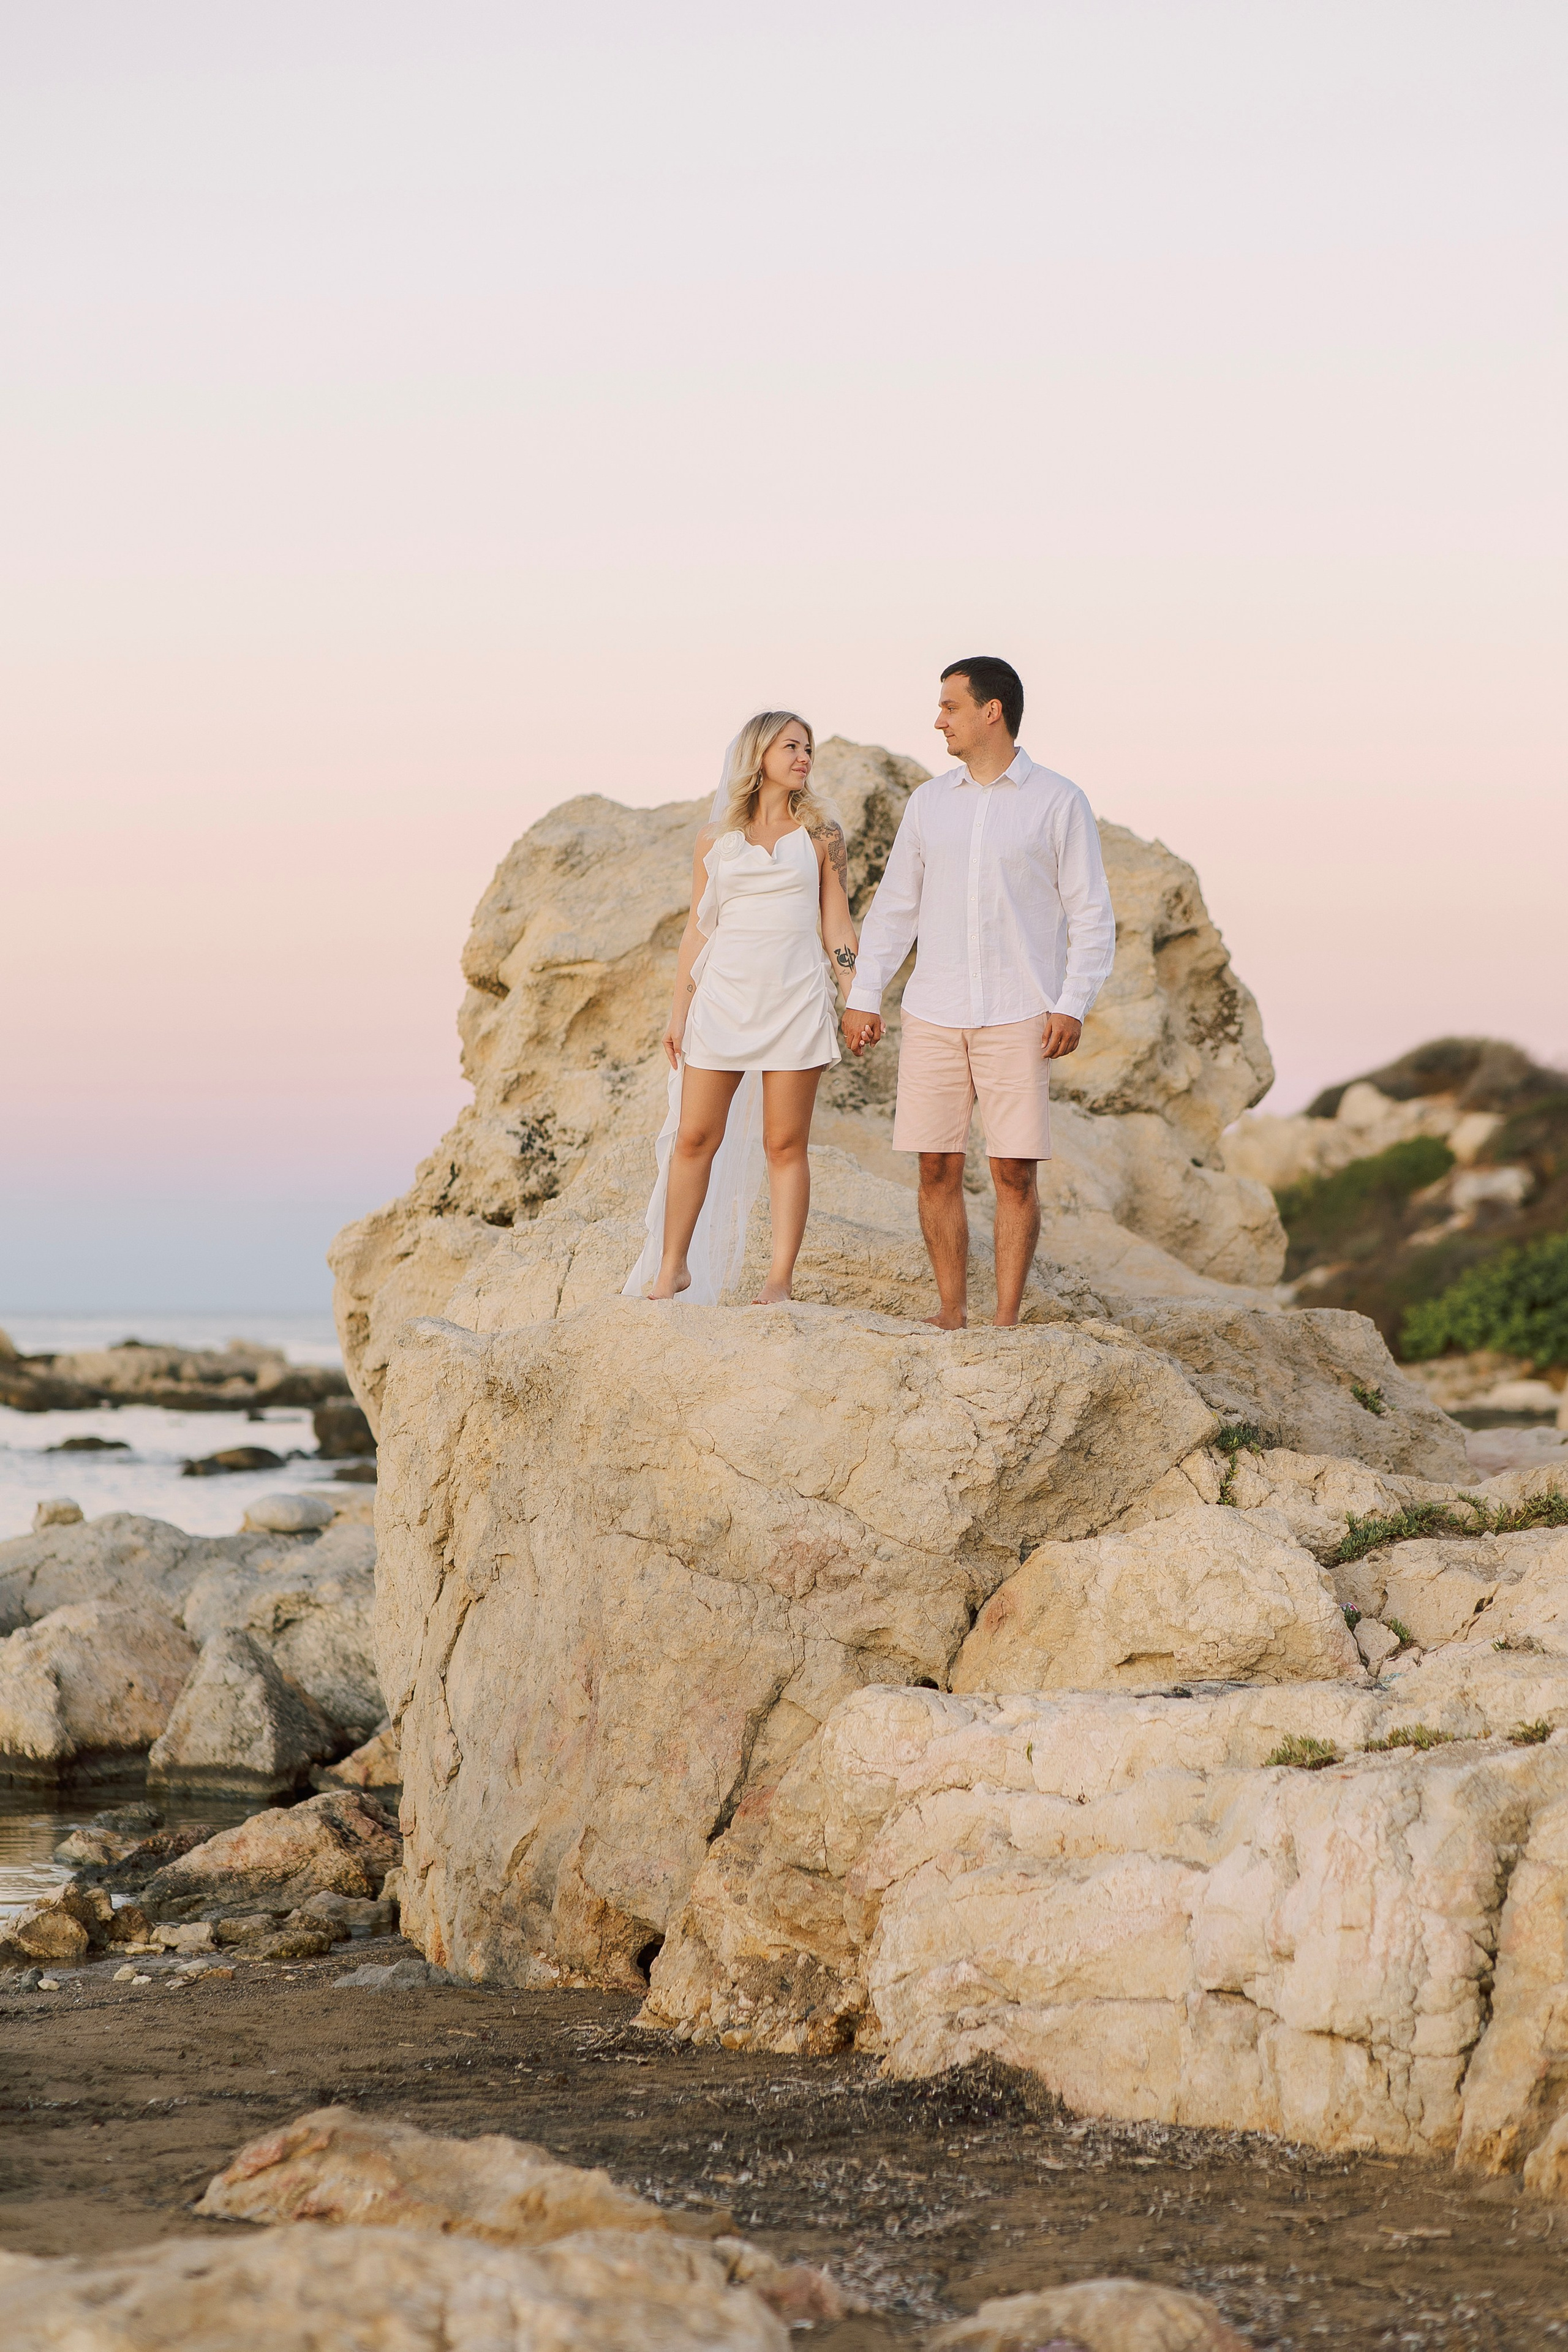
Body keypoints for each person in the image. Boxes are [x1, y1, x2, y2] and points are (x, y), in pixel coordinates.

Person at [841, 658, 1115, 1329]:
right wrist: (864, 992)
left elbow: (1091, 915)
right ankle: (951, 1311)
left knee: (1013, 1172)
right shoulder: (929, 803)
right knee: (934, 1164)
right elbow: (895, 907)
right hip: (934, 1009)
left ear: (991, 711)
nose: (939, 720)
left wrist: (1070, 1003)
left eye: (950, 707)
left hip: (1020, 1011)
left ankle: (1005, 1321)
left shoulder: (1058, 800)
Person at [624, 711, 859, 1307]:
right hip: (724, 998)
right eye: (791, 746)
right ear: (758, 754)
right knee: (694, 1136)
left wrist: (858, 997)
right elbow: (697, 932)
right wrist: (679, 1014)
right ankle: (672, 1267)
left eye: (808, 748)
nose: (804, 756)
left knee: (785, 1144)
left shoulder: (822, 836)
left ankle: (778, 1279)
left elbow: (837, 922)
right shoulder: (715, 840)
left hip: (795, 998)